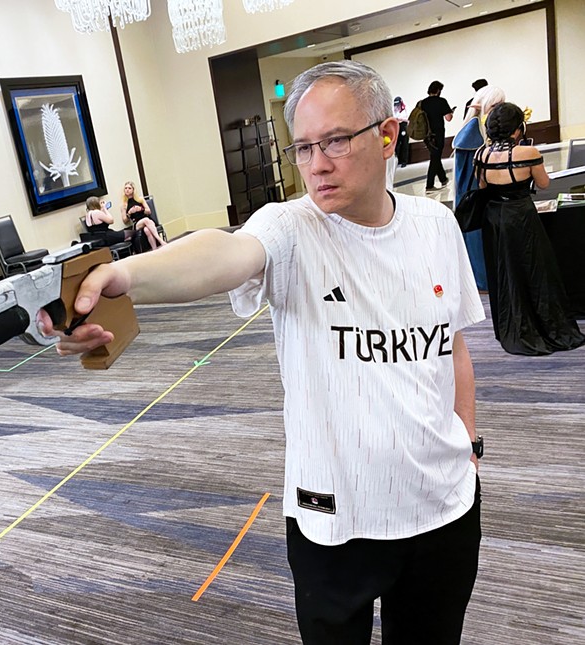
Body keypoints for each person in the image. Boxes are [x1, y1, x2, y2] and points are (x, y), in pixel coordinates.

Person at [41, 60, 485, 643]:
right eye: (302, 147)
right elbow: (224, 255)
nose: (316, 164)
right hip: (337, 519)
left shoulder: (436, 225)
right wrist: (122, 276)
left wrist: (469, 451)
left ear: (386, 135)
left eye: (335, 141)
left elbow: (451, 349)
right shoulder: (293, 228)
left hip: (443, 508)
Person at [475, 102, 585, 356]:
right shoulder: (528, 153)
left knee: (506, 271)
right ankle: (541, 322)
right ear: (517, 129)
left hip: (495, 218)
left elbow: (481, 187)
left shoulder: (481, 154)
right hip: (521, 215)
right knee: (534, 269)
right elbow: (544, 183)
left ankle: (511, 324)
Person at [454, 85, 506, 292]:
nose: (499, 109)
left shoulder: (480, 128)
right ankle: (482, 280)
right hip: (474, 196)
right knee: (477, 241)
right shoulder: (473, 129)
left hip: (478, 194)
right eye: (496, 105)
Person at [422, 80, 455, 192]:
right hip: (438, 134)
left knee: (435, 156)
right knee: (435, 159)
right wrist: (451, 112)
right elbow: (448, 118)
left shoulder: (423, 103)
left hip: (427, 135)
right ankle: (429, 185)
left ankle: (443, 179)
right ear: (438, 90)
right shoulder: (441, 101)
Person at [120, 181, 167, 251]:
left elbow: (148, 211)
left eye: (129, 188)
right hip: (137, 223)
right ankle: (160, 240)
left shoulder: (140, 199)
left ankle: (155, 249)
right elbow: (125, 221)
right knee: (146, 220)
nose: (127, 190)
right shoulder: (123, 204)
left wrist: (141, 209)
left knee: (147, 230)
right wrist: (129, 213)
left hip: (146, 219)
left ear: (133, 190)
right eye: (125, 188)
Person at [393, 96, 410, 167]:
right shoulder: (394, 109)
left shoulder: (405, 109)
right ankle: (397, 160)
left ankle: (404, 161)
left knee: (404, 144)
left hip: (404, 126)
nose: (397, 106)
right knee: (397, 144)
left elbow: (408, 119)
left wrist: (401, 119)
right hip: (396, 126)